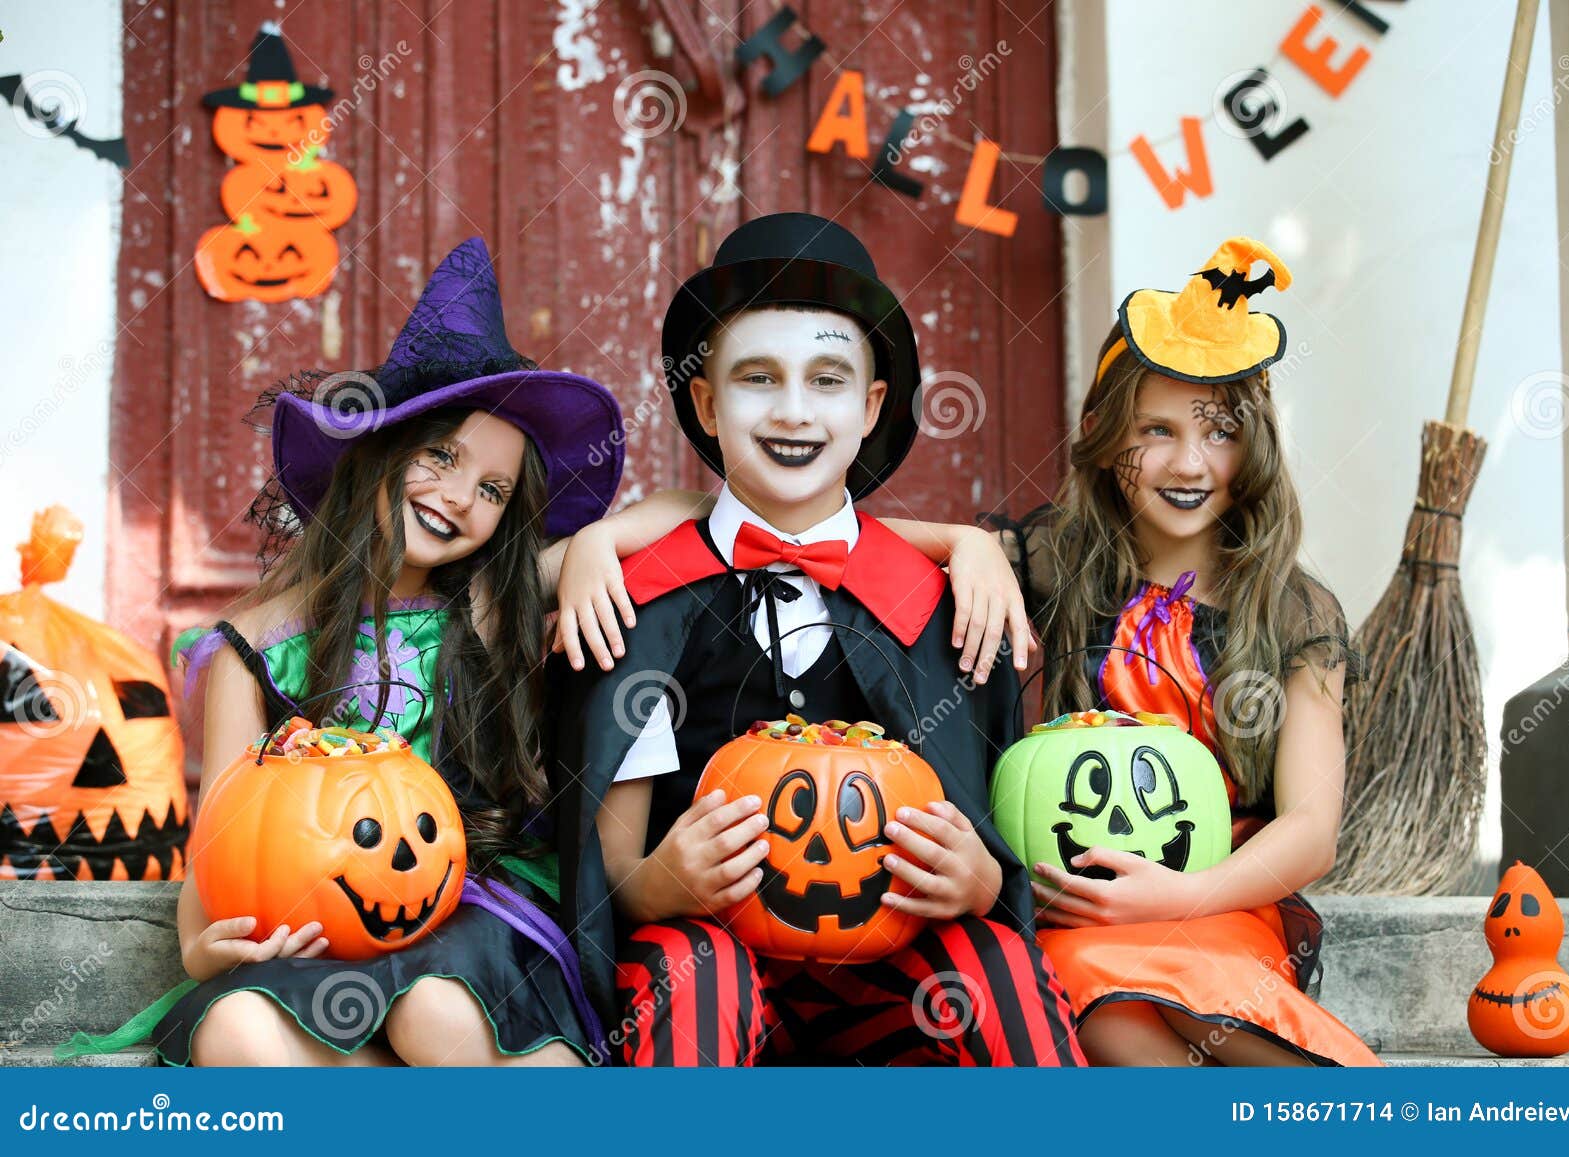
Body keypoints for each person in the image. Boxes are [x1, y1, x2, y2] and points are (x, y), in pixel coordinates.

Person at [553, 212, 1085, 1067]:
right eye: (757, 378)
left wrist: (981, 880)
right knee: (697, 974)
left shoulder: (943, 605)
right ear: (705, 401)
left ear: (872, 406)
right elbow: (612, 871)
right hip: (704, 975)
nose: (794, 410)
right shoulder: (642, 602)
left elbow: (987, 839)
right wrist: (666, 881)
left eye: (828, 379)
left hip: (886, 987)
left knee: (992, 967)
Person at [155, 237, 637, 1066]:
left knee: (437, 1017)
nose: (459, 496)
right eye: (442, 455)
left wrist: (596, 545)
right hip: (323, 929)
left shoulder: (485, 603)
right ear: (376, 450)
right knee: (236, 1033)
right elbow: (222, 838)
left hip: (467, 919)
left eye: (492, 490)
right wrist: (206, 946)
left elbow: (689, 505)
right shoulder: (252, 648)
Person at [990, 238, 1380, 1066]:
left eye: (1219, 432)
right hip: (1088, 900)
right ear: (1104, 440)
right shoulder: (1058, 564)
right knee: (1091, 988)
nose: (1190, 461)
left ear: (1255, 447)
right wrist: (962, 544)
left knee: (1168, 999)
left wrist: (1186, 889)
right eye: (1156, 431)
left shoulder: (1293, 608)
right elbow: (865, 545)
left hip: (1222, 894)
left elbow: (1312, 828)